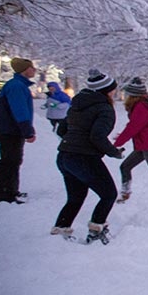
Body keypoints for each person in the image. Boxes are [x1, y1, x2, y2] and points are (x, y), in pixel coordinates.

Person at [51, 69, 124, 242]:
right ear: (106, 90)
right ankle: (96, 230)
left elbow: (62, 129)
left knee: (75, 198)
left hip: (64, 156)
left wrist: (75, 142)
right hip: (84, 158)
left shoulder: (77, 104)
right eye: (112, 88)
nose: (114, 91)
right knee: (108, 194)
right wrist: (114, 152)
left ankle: (60, 232)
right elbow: (97, 136)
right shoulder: (104, 108)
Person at [0, 57, 36, 204]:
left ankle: (9, 190)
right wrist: (27, 130)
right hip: (9, 129)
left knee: (12, 160)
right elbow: (20, 110)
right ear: (24, 70)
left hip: (9, 128)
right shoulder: (17, 86)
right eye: (31, 67)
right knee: (10, 161)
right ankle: (5, 194)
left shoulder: (17, 85)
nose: (34, 70)